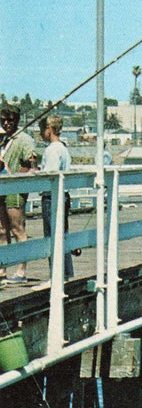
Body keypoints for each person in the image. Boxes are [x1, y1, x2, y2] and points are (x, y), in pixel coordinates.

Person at [0, 106, 35, 282]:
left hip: (14, 188)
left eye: (10, 120)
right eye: (3, 120)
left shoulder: (24, 139)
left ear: (17, 120)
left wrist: (16, 176)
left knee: (17, 229)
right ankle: (2, 270)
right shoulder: (3, 138)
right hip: (1, 188)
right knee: (1, 230)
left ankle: (21, 271)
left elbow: (31, 163)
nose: (6, 123)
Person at [38, 115, 73, 280]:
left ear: (49, 130)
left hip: (52, 197)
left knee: (52, 236)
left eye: (41, 130)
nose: (40, 133)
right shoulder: (63, 148)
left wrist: (35, 172)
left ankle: (56, 276)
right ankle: (66, 273)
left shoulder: (52, 149)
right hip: (63, 195)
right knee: (63, 234)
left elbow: (50, 174)